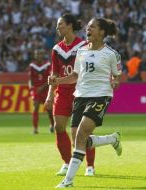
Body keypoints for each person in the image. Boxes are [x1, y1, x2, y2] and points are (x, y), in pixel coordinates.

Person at [49, 17, 123, 188]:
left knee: (82, 133)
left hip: (100, 96)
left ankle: (68, 181)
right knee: (79, 140)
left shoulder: (111, 54)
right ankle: (112, 139)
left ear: (102, 32)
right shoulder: (81, 51)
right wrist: (57, 81)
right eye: (88, 27)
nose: (88, 29)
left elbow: (117, 77)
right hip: (81, 96)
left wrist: (115, 83)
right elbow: (75, 76)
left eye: (93, 27)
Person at [44, 13, 96, 177]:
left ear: (70, 25)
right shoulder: (56, 49)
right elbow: (54, 74)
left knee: (84, 131)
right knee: (59, 127)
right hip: (63, 92)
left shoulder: (84, 46)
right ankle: (67, 163)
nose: (57, 27)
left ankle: (90, 166)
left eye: (60, 24)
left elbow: (87, 71)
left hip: (81, 91)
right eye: (57, 24)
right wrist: (49, 96)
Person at [28, 49, 54, 134]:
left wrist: (42, 87)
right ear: (35, 55)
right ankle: (35, 129)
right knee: (35, 107)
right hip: (36, 90)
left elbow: (50, 78)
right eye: (37, 54)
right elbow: (30, 79)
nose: (38, 56)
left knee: (49, 110)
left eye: (40, 54)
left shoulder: (48, 65)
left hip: (46, 90)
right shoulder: (32, 65)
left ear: (43, 55)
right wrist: (31, 88)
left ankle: (52, 126)